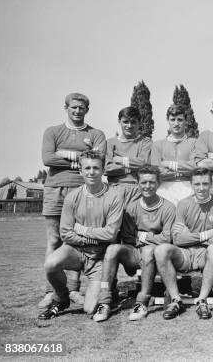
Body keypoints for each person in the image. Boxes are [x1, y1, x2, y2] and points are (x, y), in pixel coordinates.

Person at [39, 93, 107, 309]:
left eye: (82, 108)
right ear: (66, 108)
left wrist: (64, 155)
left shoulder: (96, 134)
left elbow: (96, 159)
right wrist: (78, 157)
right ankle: (52, 292)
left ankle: (74, 289)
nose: (77, 111)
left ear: (87, 109)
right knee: (54, 240)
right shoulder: (52, 131)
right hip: (55, 189)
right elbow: (48, 158)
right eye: (73, 107)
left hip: (82, 190)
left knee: (78, 239)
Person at [38, 150, 123, 319]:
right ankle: (62, 298)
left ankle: (109, 286)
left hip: (99, 257)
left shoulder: (114, 196)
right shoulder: (72, 197)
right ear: (80, 171)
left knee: (90, 309)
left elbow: (111, 234)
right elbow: (65, 234)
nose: (91, 172)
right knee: (51, 264)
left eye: (96, 168)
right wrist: (89, 240)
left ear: (103, 170)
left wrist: (83, 230)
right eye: (88, 168)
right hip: (76, 251)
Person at [92, 165, 175, 322]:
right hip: (135, 253)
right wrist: (151, 237)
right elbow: (128, 237)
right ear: (137, 184)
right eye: (143, 182)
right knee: (112, 249)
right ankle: (104, 302)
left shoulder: (168, 207)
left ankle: (142, 302)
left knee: (148, 251)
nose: (147, 186)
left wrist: (143, 236)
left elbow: (167, 238)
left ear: (158, 184)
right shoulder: (131, 208)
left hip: (158, 256)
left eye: (151, 182)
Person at [154, 169, 213, 320]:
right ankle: (176, 299)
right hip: (185, 253)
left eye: (205, 184)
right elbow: (178, 239)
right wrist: (206, 234)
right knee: (161, 250)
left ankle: (202, 300)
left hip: (204, 254)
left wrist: (188, 235)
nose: (201, 188)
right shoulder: (183, 204)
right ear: (191, 185)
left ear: (211, 184)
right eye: (197, 184)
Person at [105, 106, 152, 207]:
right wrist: (133, 167)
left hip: (138, 189)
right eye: (125, 122)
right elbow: (107, 168)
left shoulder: (146, 142)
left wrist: (121, 160)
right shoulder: (110, 143)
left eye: (133, 122)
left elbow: (144, 164)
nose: (129, 126)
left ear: (139, 122)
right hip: (114, 188)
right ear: (119, 121)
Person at [151, 104, 197, 206]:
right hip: (164, 189)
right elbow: (157, 171)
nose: (176, 123)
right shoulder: (157, 145)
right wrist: (184, 169)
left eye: (180, 120)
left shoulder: (194, 143)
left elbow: (194, 167)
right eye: (173, 119)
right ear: (168, 120)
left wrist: (168, 164)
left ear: (186, 121)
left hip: (188, 188)